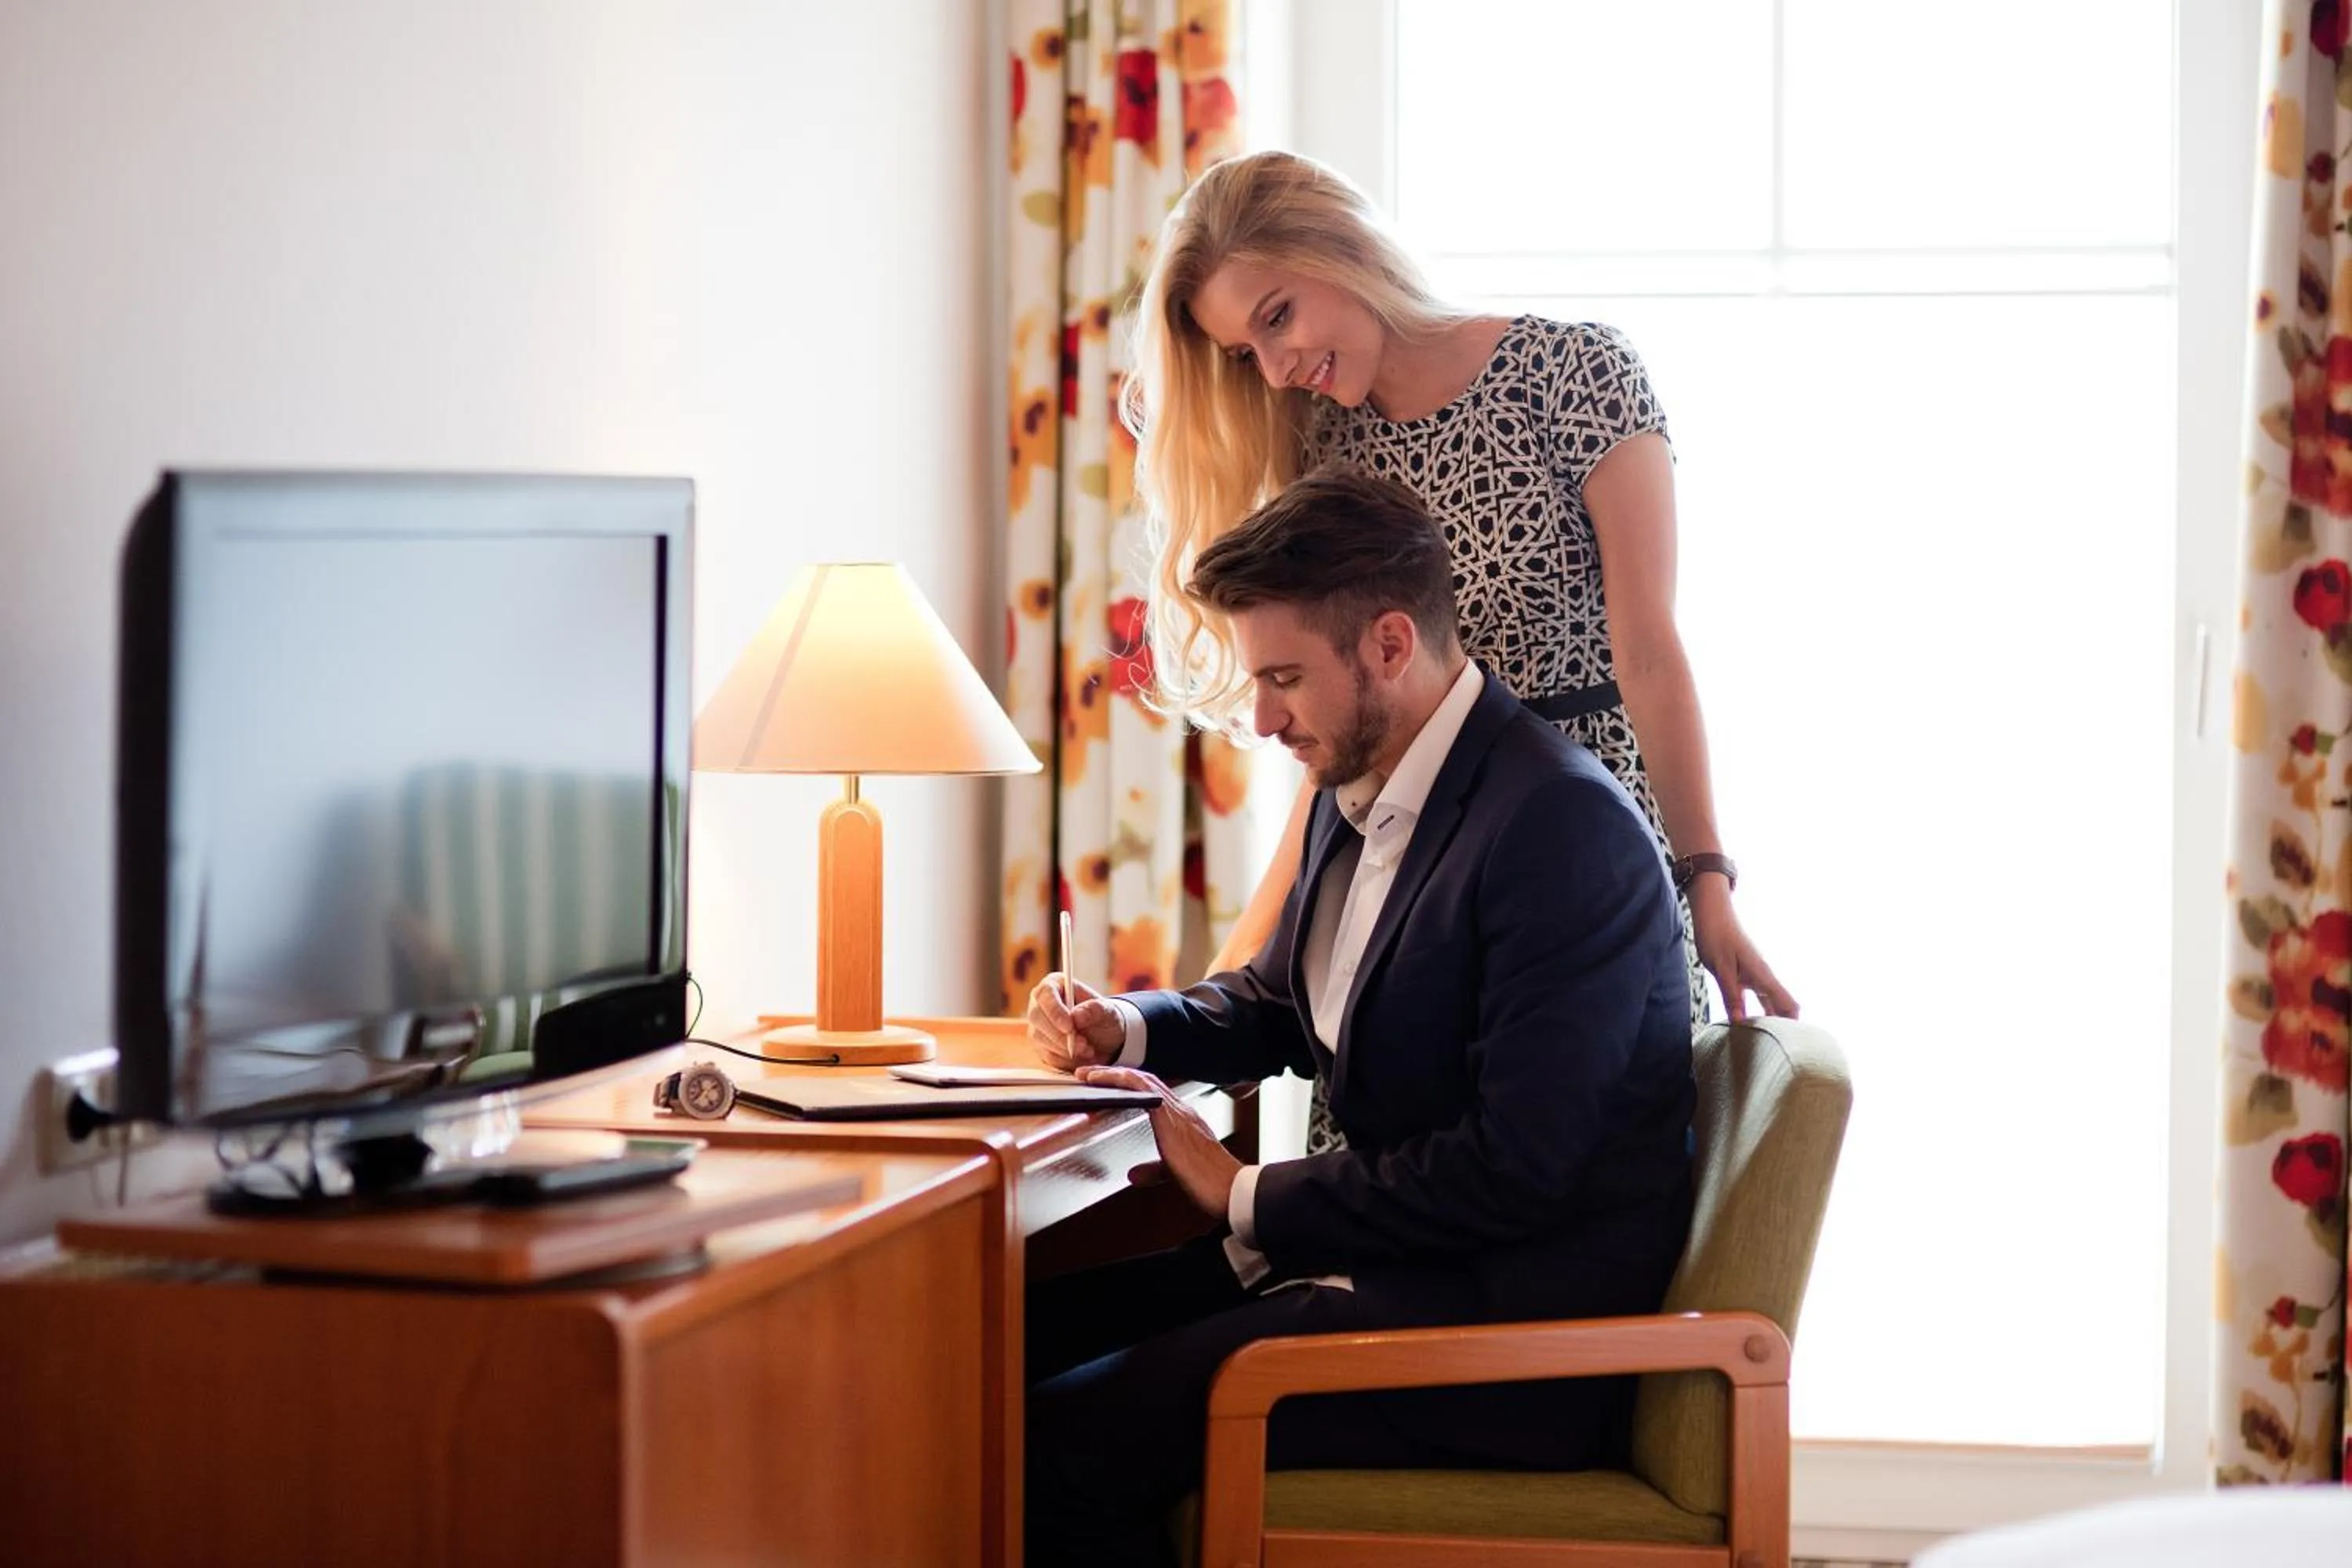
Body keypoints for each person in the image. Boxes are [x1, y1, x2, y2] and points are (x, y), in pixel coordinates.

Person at [1020, 470, 1696, 1567]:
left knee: (1066, 1437)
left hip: (1505, 1342)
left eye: (1284, 678)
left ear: (1389, 644)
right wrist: (1126, 1030)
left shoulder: (1557, 826)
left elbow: (1519, 1167)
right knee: (1006, 1348)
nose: (1262, 717)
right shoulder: (1366, 778)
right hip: (1393, 1270)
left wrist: (1243, 1192)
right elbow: (1285, 1002)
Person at [1126, 149, 1795, 1151]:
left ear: (1337, 247)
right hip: (1403, 872)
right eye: (1242, 352)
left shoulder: (1575, 374)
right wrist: (1244, 961)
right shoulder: (1323, 450)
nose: (1274, 367)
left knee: (1544, 1168)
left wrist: (1707, 882)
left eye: (1276, 317)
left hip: (1575, 854)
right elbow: (1339, 736)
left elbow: (1650, 655)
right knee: (1374, 1203)